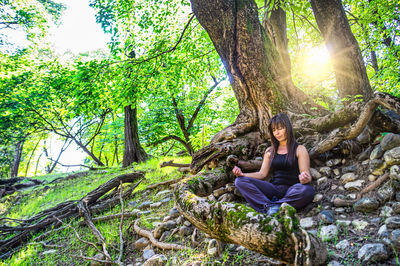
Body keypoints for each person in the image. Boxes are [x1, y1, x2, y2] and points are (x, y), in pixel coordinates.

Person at [232, 113, 315, 215]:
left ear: (287, 128)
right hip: (274, 189)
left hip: (293, 189)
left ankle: (275, 206)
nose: (277, 133)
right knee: (239, 181)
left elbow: (306, 174)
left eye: (280, 128)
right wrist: (243, 175)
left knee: (307, 190)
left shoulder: (299, 149)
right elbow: (262, 174)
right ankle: (269, 207)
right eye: (274, 130)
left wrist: (305, 178)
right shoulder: (270, 151)